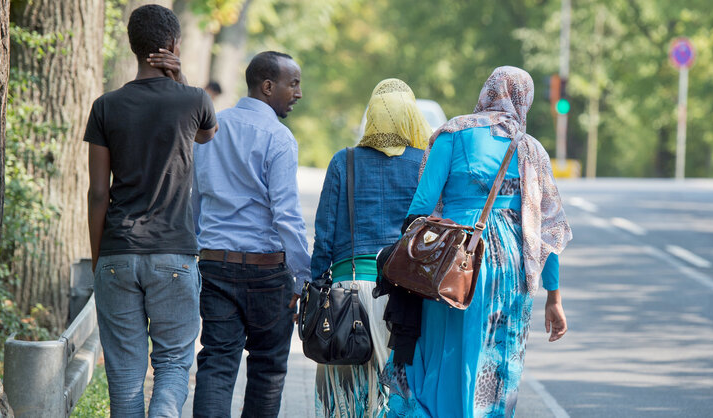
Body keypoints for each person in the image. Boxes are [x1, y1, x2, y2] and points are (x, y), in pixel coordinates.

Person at [381, 66, 573, 417]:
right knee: (495, 361)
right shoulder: (531, 150)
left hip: (451, 262)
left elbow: (421, 207)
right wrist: (554, 298)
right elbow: (548, 231)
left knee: (442, 352)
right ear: (523, 100)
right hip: (510, 268)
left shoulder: (453, 132)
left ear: (487, 91)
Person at [85, 5, 218, 416]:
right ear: (174, 45)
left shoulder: (105, 106)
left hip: (117, 253)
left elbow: (96, 194)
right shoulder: (193, 100)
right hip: (175, 256)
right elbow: (206, 134)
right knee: (174, 364)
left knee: (125, 377)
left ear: (132, 46)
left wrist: (98, 259)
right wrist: (183, 80)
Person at [191, 51, 309, 418]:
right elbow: (287, 216)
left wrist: (199, 249)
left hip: (214, 268)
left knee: (216, 363)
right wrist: (303, 278)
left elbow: (196, 198)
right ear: (267, 86)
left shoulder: (211, 129)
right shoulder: (279, 137)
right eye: (293, 83)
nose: (299, 92)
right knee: (268, 368)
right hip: (266, 274)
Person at [311, 79, 430, 417]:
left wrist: (317, 285)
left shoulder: (343, 161)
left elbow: (324, 235)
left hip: (346, 295)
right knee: (396, 395)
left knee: (347, 400)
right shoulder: (423, 163)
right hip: (403, 297)